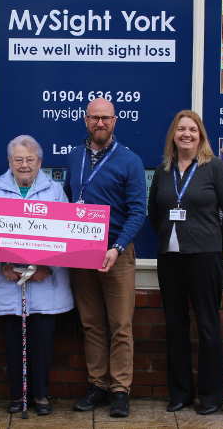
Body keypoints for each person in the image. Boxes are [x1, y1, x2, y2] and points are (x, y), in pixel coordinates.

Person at [148, 110, 223, 415]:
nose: (186, 134)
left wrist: (217, 251)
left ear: (200, 136)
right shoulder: (164, 170)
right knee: (175, 326)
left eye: (193, 130)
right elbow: (154, 213)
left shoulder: (213, 167)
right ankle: (181, 394)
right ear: (173, 135)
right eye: (181, 129)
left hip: (205, 257)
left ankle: (211, 397)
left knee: (208, 326)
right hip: (170, 258)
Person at [64, 98, 146, 418]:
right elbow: (69, 202)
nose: (100, 123)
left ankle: (120, 390)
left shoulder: (130, 161)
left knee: (121, 324)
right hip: (82, 251)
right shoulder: (74, 157)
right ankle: (98, 384)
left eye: (106, 119)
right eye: (94, 118)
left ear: (115, 121)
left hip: (117, 252)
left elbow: (138, 212)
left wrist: (118, 246)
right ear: (86, 121)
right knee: (91, 323)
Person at [0, 135, 74, 416]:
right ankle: (17, 393)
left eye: (30, 160)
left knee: (42, 341)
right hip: (9, 280)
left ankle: (42, 395)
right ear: (9, 162)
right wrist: (3, 266)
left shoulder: (55, 191)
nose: (24, 165)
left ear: (40, 162)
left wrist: (49, 268)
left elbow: (66, 234)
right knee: (13, 342)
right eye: (18, 159)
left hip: (45, 281)